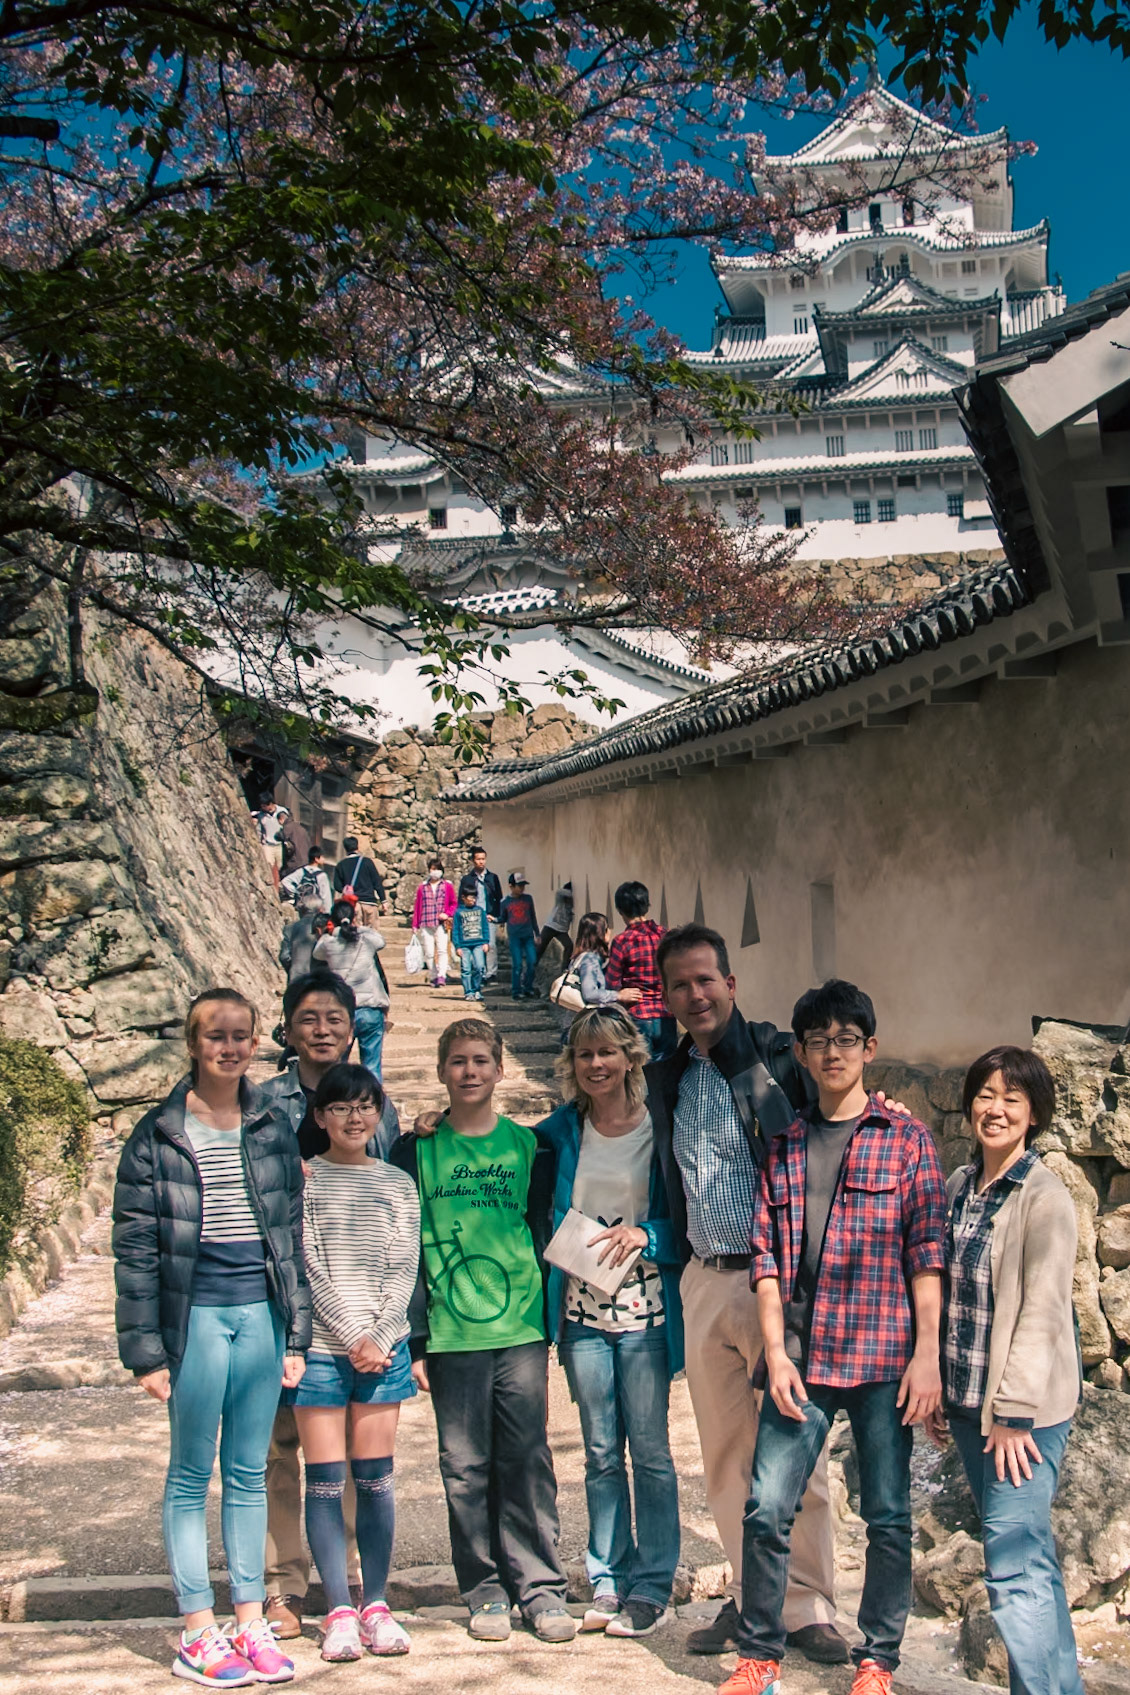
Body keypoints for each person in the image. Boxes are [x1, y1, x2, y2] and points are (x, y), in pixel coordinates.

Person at [722, 979, 946, 1695]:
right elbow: (765, 1258)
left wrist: (928, 1354)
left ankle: (877, 1658)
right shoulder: (783, 1146)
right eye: (818, 1039)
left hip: (884, 1357)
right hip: (803, 1357)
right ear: (804, 1054)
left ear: (869, 1048)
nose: (832, 1051)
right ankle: (759, 1650)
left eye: (846, 1038)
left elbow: (928, 1254)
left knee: (887, 1516)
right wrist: (775, 1351)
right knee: (766, 1509)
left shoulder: (907, 1140)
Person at [645, 923, 843, 1661]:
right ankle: (750, 1595)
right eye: (680, 985)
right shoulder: (667, 1076)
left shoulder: (774, 1055)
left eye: (706, 980)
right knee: (727, 1452)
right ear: (663, 997)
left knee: (797, 1447)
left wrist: (738, 1060)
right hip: (704, 1279)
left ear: (730, 982)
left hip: (777, 1282)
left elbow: (804, 1132)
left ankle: (811, 1602)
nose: (695, 995)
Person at [112, 987, 310, 1687]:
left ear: (256, 1042)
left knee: (250, 1472)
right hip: (193, 1319)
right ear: (193, 1044)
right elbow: (135, 1247)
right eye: (215, 1035)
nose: (229, 1047)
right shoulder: (157, 1133)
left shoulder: (268, 1123)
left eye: (241, 1035)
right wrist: (143, 1349)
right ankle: (198, 1628)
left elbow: (291, 1234)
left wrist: (297, 1334)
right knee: (192, 1472)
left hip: (260, 1314)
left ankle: (250, 1618)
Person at [390, 1018, 574, 1644]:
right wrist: (414, 1336)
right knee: (464, 1467)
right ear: (442, 1071)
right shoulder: (415, 1149)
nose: (469, 1071)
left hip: (519, 1326)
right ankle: (485, 1589)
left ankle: (541, 1588)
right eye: (458, 1061)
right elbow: (402, 1247)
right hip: (450, 1331)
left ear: (500, 1069)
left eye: (480, 1060)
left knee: (526, 1458)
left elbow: (540, 1227)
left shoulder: (528, 1149)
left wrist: (549, 1317)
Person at [926, 1047, 1083, 1695]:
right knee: (1031, 1563)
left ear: (1034, 1114)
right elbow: (946, 1294)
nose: (995, 1107)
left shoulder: (1045, 1198)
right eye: (985, 1094)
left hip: (1022, 1416)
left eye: (1012, 1098)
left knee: (1014, 1568)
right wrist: (935, 1380)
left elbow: (1044, 1313)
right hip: (968, 1405)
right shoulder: (960, 1186)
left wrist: (1015, 1415)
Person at [260, 971, 400, 1640]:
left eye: (334, 1016)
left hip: (362, 1315)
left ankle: (345, 1582)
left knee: (349, 1455)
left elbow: (394, 1201)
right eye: (308, 1017)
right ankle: (284, 1586)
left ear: (354, 1025)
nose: (322, 1027)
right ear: (287, 1028)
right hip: (279, 1306)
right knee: (280, 1451)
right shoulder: (263, 1106)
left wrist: (393, 1327)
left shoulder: (378, 1101)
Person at [541, 1006, 682, 1638]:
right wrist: (424, 1130)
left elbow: (690, 1219)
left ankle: (651, 1585)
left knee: (650, 1451)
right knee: (600, 1452)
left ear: (631, 1056)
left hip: (646, 1311)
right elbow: (490, 1144)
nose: (595, 1065)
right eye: (583, 1055)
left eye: (606, 1053)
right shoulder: (560, 1130)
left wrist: (645, 1234)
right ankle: (606, 1578)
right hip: (581, 1314)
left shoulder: (664, 1130)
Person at [285, 1064, 419, 1663]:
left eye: (366, 1106)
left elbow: (403, 1266)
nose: (354, 1117)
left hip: (384, 1351)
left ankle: (377, 1604)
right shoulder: (306, 1183)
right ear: (320, 1116)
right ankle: (337, 1608)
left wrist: (382, 1334)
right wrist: (351, 1334)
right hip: (320, 1350)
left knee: (375, 1478)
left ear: (380, 1113)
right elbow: (307, 1262)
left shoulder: (397, 1184)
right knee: (325, 1479)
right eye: (341, 1107)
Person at [314, 904, 390, 1077]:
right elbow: (381, 941)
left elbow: (316, 954)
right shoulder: (365, 939)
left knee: (338, 1063)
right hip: (371, 1007)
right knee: (372, 1065)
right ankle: (374, 1101)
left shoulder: (328, 942)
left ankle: (338, 1099)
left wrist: (334, 932)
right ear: (354, 918)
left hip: (342, 1010)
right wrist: (359, 927)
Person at [605, 882, 676, 1062]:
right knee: (666, 1074)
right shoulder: (665, 936)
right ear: (647, 905)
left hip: (637, 1015)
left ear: (620, 910)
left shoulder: (622, 941)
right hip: (666, 1014)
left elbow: (611, 983)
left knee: (640, 1074)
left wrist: (619, 994)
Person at [549, 912, 640, 1039]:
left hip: (577, 1026)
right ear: (600, 933)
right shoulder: (589, 960)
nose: (610, 931)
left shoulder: (583, 957)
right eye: (607, 928)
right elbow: (590, 994)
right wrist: (619, 995)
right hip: (581, 1029)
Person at [412, 857, 457, 988]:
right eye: (433, 869)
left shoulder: (447, 886)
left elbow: (453, 903)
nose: (435, 872)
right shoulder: (422, 887)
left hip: (441, 923)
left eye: (437, 869)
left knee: (442, 950)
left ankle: (442, 975)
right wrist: (415, 924)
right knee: (429, 952)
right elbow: (418, 907)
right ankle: (433, 975)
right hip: (426, 922)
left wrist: (447, 913)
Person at [499, 872, 540, 1000]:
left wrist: (537, 934)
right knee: (517, 964)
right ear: (511, 886)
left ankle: (528, 987)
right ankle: (516, 990)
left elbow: (533, 917)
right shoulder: (505, 902)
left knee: (532, 961)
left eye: (523, 885)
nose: (521, 888)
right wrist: (494, 919)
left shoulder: (528, 899)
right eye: (519, 885)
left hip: (528, 935)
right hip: (514, 937)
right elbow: (503, 918)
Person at [333, 837, 388, 927]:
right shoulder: (367, 862)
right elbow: (377, 882)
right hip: (369, 903)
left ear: (345, 849)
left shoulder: (341, 865)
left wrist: (346, 889)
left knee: (356, 935)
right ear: (357, 847)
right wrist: (383, 901)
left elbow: (337, 886)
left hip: (353, 905)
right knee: (371, 935)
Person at [451, 875, 489, 1002]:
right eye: (470, 897)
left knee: (479, 966)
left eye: (474, 897)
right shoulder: (458, 912)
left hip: (478, 943)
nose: (473, 900)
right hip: (464, 945)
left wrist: (486, 942)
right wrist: (457, 946)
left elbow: (485, 927)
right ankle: (468, 992)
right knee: (466, 968)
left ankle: (477, 989)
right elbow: (455, 930)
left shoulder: (480, 911)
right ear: (464, 898)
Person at [468, 846, 502, 981]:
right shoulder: (468, 879)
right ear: (473, 860)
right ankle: (479, 972)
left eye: (483, 859)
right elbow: (462, 898)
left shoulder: (493, 878)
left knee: (491, 945)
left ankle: (491, 972)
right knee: (476, 946)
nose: (481, 862)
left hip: (489, 915)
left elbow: (499, 897)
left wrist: (499, 917)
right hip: (473, 916)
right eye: (478, 859)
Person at [278, 909, 331, 986]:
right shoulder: (328, 927)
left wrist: (292, 967)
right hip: (321, 981)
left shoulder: (290, 928)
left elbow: (284, 956)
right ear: (319, 909)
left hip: (297, 979)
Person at [280, 844, 333, 913]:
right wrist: (327, 912)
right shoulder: (322, 875)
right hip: (315, 908)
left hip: (302, 906)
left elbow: (285, 881)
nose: (324, 859)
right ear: (316, 859)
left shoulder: (301, 871)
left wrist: (295, 892)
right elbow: (325, 896)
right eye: (322, 857)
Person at [253, 794, 286, 890]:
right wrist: (259, 842)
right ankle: (272, 887)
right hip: (267, 844)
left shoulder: (282, 811)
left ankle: (279, 886)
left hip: (279, 844)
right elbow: (259, 829)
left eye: (264, 805)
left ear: (270, 804)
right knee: (269, 866)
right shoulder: (261, 815)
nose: (262, 807)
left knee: (280, 866)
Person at [536, 881, 574, 964]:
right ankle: (530, 969)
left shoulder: (571, 904)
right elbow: (559, 891)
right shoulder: (560, 898)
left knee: (569, 946)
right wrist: (572, 893)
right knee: (540, 948)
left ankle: (565, 968)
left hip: (562, 930)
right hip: (550, 926)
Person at [280, 811, 311, 878]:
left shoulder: (287, 827)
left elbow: (281, 836)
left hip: (296, 859)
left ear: (281, 819)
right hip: (305, 857)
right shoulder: (299, 826)